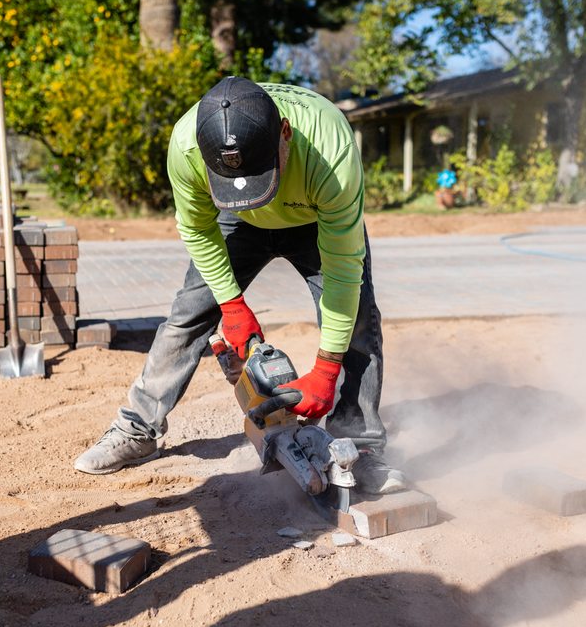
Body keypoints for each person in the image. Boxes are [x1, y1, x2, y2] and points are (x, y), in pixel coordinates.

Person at [74, 76, 406, 495]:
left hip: (313, 218)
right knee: (190, 313)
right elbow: (197, 230)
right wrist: (232, 305)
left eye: (259, 172)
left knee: (357, 320)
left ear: (285, 133)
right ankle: (137, 429)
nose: (256, 195)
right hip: (235, 220)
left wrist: (325, 370)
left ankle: (359, 445)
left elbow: (343, 271)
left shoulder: (330, 146)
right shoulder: (186, 144)